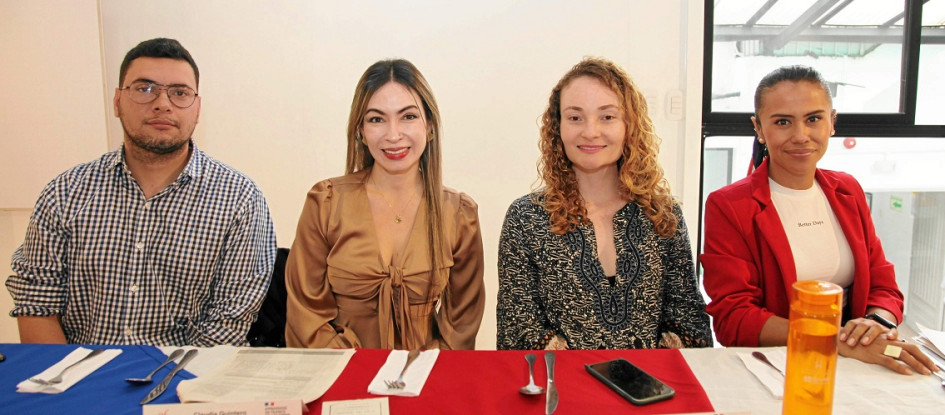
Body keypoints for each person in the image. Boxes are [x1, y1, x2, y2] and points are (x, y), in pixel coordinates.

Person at [5, 38, 277, 346]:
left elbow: (226, 325)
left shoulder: (239, 200)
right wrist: (67, 384)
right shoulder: (65, 193)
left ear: (197, 108)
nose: (162, 103)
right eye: (144, 89)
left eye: (179, 92)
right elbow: (37, 305)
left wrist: (165, 390)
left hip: (185, 384)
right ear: (117, 101)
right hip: (79, 380)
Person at [701, 65, 937, 375]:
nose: (801, 136)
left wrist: (876, 324)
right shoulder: (730, 205)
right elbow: (734, 319)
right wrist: (835, 339)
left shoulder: (847, 190)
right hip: (778, 368)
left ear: (832, 122)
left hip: (858, 359)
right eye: (783, 122)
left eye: (813, 119)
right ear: (758, 128)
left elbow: (883, 283)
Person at [496, 57, 712, 350]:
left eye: (607, 117)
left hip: (649, 391)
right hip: (561, 389)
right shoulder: (526, 218)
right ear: (557, 127)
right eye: (575, 117)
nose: (590, 131)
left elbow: (690, 324)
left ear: (629, 125)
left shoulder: (663, 215)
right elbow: (517, 331)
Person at [285, 59, 485, 350]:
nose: (393, 135)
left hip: (425, 377)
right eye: (376, 119)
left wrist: (417, 375)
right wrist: (356, 373)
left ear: (429, 125)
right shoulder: (325, 203)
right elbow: (306, 317)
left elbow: (460, 328)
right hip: (338, 374)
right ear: (361, 131)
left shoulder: (460, 214)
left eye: (408, 117)